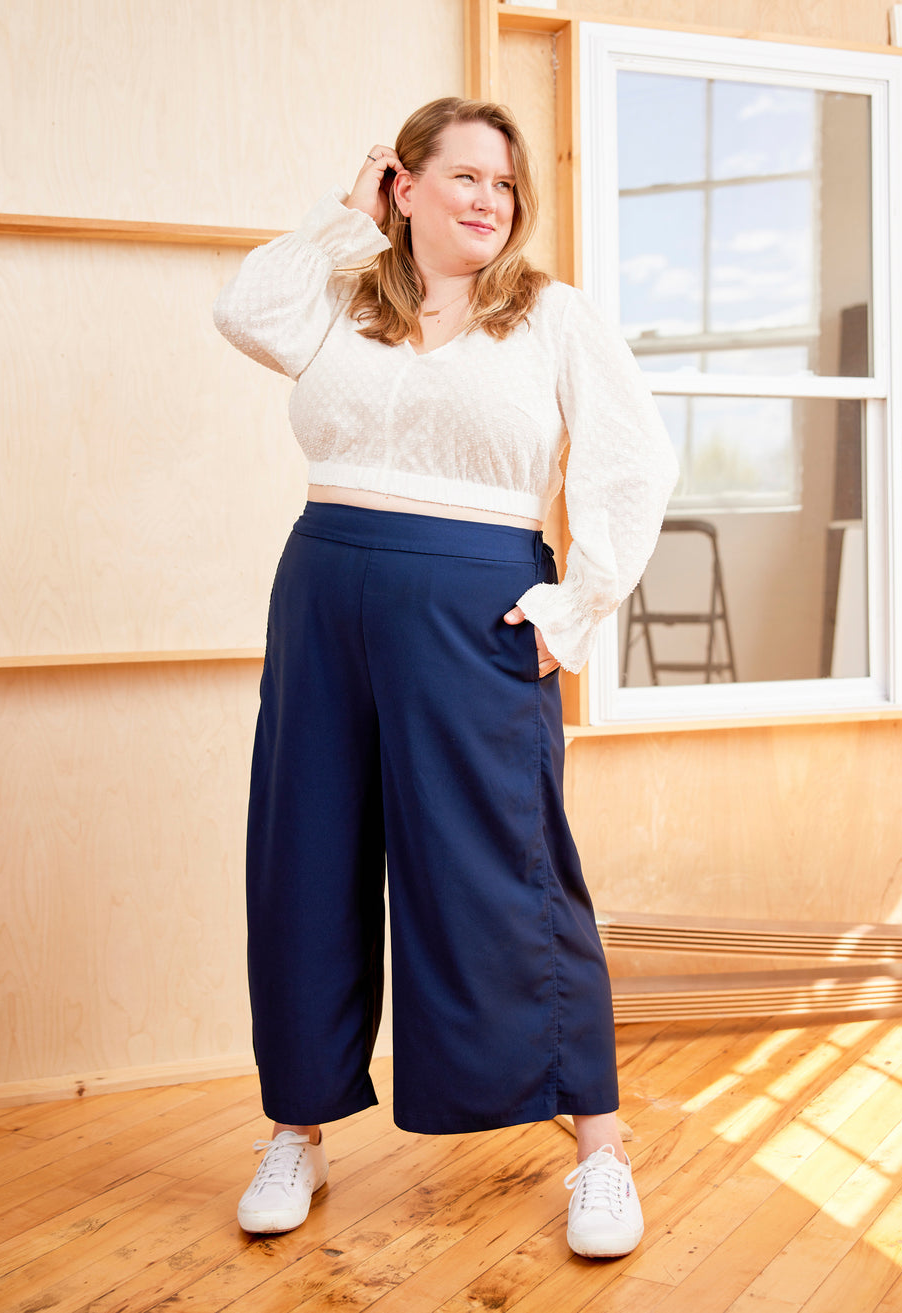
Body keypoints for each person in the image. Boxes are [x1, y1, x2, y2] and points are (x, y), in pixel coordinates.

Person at [213, 96, 678, 1260]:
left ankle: (602, 1150)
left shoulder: (551, 318)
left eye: (504, 185)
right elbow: (242, 308)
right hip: (324, 590)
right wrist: (340, 223)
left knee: (507, 867)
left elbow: (632, 460)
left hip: (474, 599)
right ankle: (296, 1131)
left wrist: (578, 602)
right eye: (461, 175)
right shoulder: (340, 303)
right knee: (304, 854)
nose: (487, 199)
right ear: (401, 186)